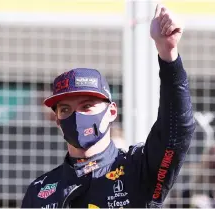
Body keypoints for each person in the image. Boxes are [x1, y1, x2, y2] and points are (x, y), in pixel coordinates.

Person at [21, 4, 195, 208]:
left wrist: (168, 55)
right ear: (57, 120)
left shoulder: (138, 169)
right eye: (66, 109)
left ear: (111, 111)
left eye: (86, 106)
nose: (76, 116)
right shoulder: (41, 191)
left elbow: (177, 131)